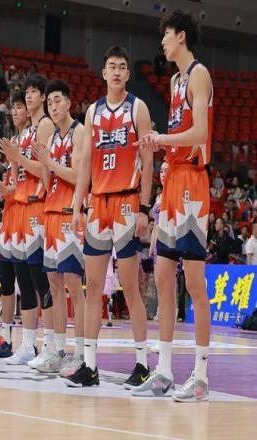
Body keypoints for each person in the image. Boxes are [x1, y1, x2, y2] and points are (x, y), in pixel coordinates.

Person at [132, 10, 213, 402]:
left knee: (194, 283)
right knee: (163, 276)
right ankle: (163, 371)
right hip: (174, 180)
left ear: (181, 36)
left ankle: (201, 376)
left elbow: (200, 133)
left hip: (193, 186)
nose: (162, 42)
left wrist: (162, 139)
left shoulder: (198, 74)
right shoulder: (175, 80)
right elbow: (180, 135)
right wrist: (164, 152)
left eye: (166, 35)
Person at [66, 46, 153, 389]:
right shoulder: (93, 111)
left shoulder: (138, 107)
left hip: (127, 203)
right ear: (103, 73)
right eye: (111, 66)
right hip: (97, 205)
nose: (116, 71)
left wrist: (144, 208)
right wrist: (77, 206)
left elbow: (148, 162)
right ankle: (89, 366)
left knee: (130, 287)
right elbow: (86, 163)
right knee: (92, 289)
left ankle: (142, 364)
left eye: (122, 67)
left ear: (128, 74)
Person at [0, 74, 55, 368]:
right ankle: (28, 343)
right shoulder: (25, 132)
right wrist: (3, 188)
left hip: (37, 205)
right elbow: (18, 177)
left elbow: (44, 171)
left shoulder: (44, 125)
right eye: (27, 92)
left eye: (34, 92)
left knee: (39, 277)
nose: (30, 96)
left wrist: (18, 158)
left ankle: (51, 344)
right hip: (20, 204)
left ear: (43, 97)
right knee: (23, 277)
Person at [30, 79, 85, 375]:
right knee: (54, 283)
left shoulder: (79, 132)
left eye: (57, 101)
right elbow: (48, 178)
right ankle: (60, 350)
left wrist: (49, 162)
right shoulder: (52, 137)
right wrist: (42, 165)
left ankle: (82, 352)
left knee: (74, 285)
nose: (53, 106)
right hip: (50, 211)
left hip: (68, 213)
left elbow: (78, 176)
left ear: (69, 103)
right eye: (49, 102)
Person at [0, 91, 28, 358]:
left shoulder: (34, 136)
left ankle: (32, 343)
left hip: (27, 213)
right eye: (13, 107)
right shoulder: (14, 140)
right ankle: (7, 339)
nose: (15, 111)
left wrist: (8, 189)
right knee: (7, 282)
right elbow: (14, 183)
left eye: (19, 107)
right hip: (10, 213)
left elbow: (32, 181)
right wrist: (1, 190)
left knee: (30, 282)